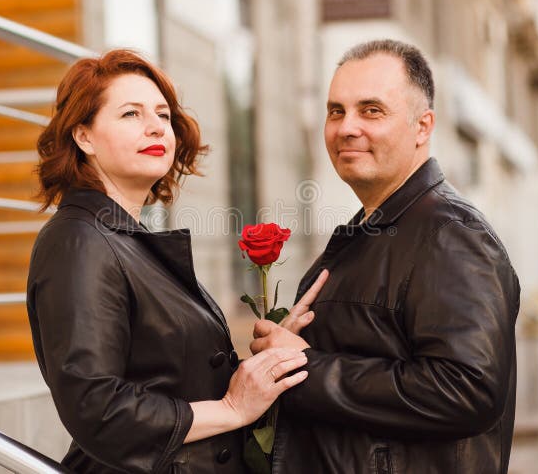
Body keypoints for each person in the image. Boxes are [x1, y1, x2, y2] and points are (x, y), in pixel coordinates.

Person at [26, 49, 325, 473]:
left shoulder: (126, 238)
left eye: (163, 115)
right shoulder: (78, 241)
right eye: (131, 114)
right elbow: (97, 407)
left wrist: (263, 360)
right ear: (84, 137)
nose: (155, 127)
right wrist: (232, 409)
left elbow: (170, 376)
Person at [251, 39, 520, 473]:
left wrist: (303, 368)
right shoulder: (372, 230)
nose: (346, 127)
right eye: (336, 111)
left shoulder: (452, 235)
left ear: (422, 126)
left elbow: (466, 390)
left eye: (371, 110)